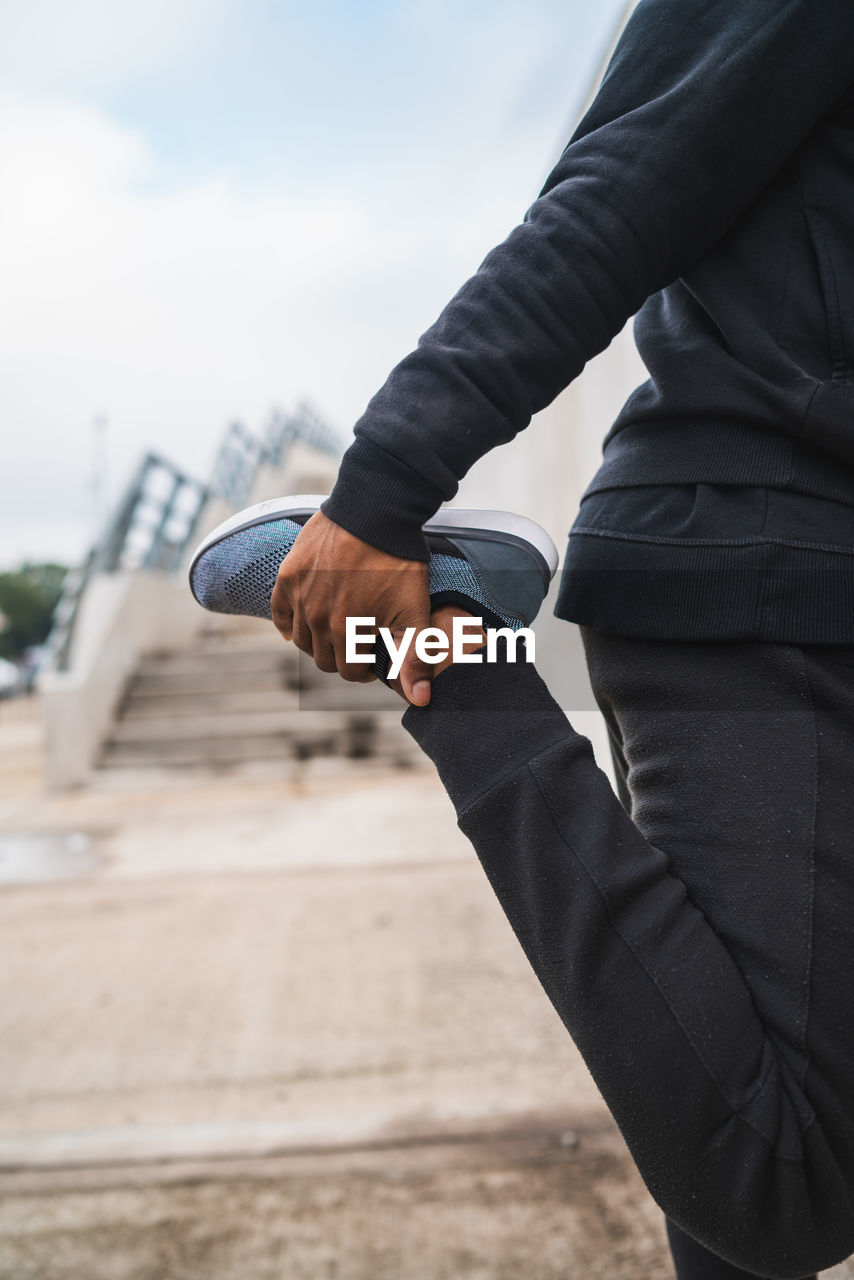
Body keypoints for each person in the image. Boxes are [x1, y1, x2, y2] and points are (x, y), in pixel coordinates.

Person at [191, 1, 854, 1275]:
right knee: (768, 1177)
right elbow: (619, 191)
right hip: (754, 559)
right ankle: (448, 646)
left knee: (720, 1125)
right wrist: (384, 487)